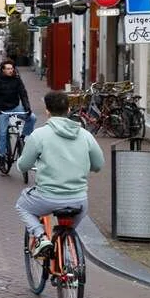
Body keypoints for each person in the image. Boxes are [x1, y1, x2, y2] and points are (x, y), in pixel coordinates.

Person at [15, 91, 104, 258]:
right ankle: (69, 266)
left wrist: (23, 166)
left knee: (22, 205)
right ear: (69, 109)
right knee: (67, 231)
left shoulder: (39, 135)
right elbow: (98, 165)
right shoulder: (85, 135)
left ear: (47, 111)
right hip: (79, 201)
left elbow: (23, 165)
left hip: (47, 198)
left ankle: (41, 237)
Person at [0, 60, 37, 171]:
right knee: (2, 133)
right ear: (3, 70)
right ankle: (1, 158)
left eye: (12, 68)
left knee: (32, 118)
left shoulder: (17, 80)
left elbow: (23, 94)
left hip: (15, 107)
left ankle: (23, 138)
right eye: (8, 69)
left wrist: (27, 107)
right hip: (1, 110)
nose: (11, 71)